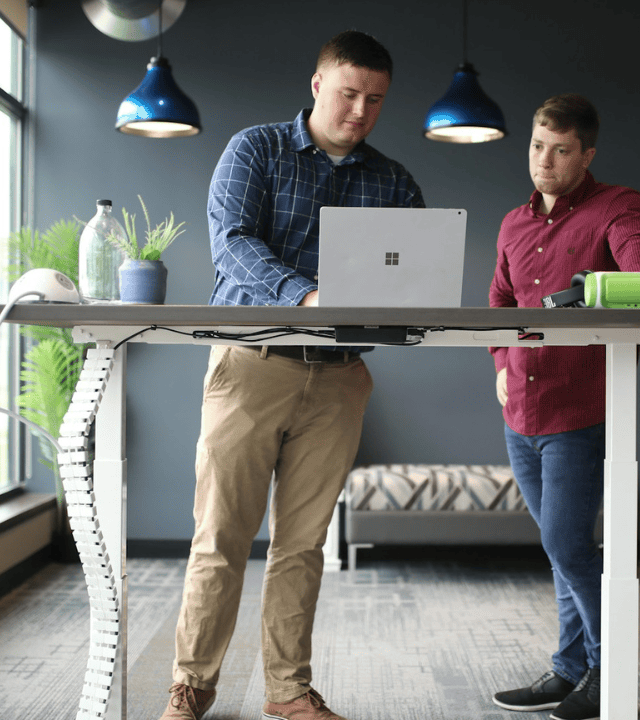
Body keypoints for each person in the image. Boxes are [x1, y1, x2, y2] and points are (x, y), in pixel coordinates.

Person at [160, 30, 424, 720]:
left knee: (304, 546)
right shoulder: (256, 149)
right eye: (347, 93)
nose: (360, 110)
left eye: (374, 99)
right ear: (316, 85)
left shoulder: (393, 181)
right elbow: (233, 244)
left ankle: (287, 690)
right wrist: (306, 296)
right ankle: (191, 687)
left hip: (339, 378)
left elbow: (415, 271)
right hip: (253, 365)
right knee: (220, 536)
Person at [488, 94, 640, 720]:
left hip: (581, 410)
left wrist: (623, 282)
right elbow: (500, 307)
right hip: (522, 412)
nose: (546, 161)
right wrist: (502, 366)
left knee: (566, 545)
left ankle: (606, 673)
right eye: (538, 146)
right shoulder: (514, 223)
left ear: (587, 154)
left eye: (562, 151)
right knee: (559, 547)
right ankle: (569, 670)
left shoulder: (620, 207)